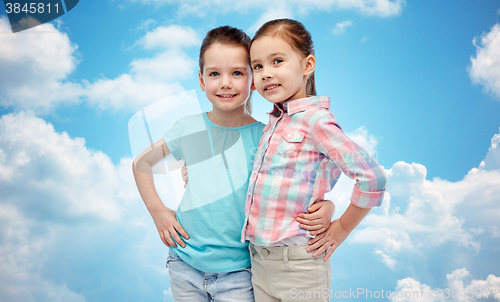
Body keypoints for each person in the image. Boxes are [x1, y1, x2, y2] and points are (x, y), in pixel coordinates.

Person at [132, 25, 334, 302]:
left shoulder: (267, 137)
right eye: (214, 73)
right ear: (202, 81)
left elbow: (296, 187)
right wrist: (158, 211)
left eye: (237, 72)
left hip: (242, 273)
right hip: (183, 264)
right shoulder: (187, 128)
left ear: (253, 79)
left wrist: (328, 206)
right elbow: (142, 163)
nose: (225, 82)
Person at [242, 19, 388, 302]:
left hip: (300, 263)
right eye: (257, 66)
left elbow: (373, 177)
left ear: (307, 65)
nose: (266, 73)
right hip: (259, 261)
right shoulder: (273, 124)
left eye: (277, 61)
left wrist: (341, 227)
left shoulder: (316, 121)